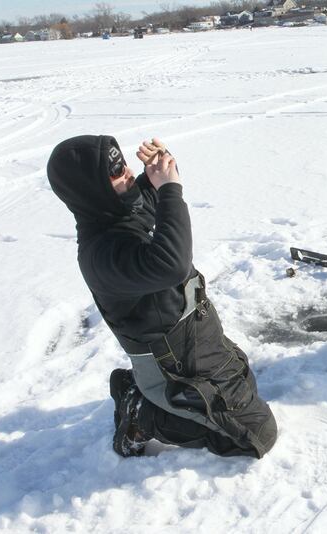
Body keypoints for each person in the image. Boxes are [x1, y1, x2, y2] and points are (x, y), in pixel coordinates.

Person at [47, 135, 277, 457]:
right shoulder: (102, 254)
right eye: (114, 172)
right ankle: (142, 412)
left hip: (194, 341)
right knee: (257, 434)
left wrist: (163, 166)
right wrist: (171, 190)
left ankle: (149, 395)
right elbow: (171, 265)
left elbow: (155, 190)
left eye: (123, 163)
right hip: (171, 365)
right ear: (91, 188)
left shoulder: (120, 207)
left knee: (245, 384)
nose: (127, 173)